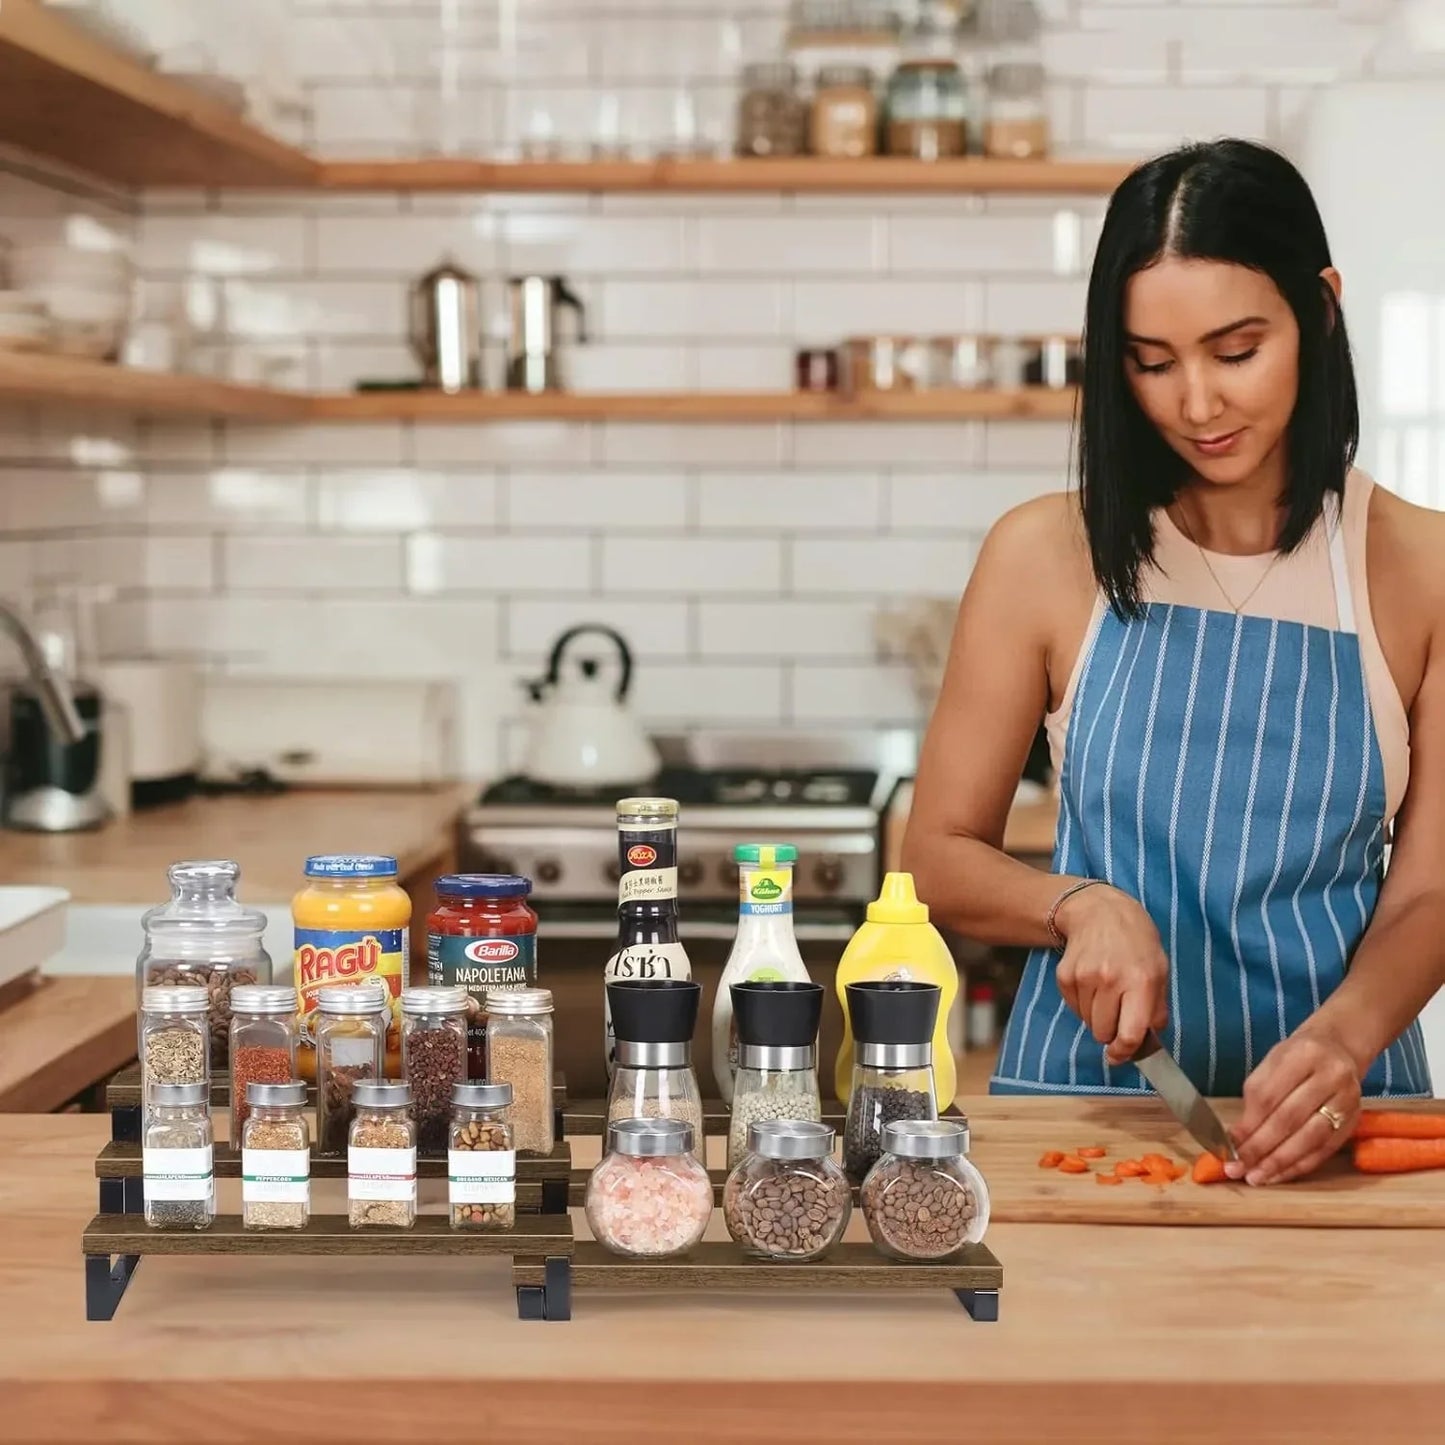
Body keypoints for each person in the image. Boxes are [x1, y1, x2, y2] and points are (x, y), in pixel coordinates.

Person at [902, 139, 1445, 1186]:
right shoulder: (1040, 554)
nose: (1194, 402)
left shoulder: (1421, 568)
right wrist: (1072, 904)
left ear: (1318, 311)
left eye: (1233, 350)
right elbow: (934, 849)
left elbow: (1429, 890)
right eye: (1151, 361)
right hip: (1081, 1117)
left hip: (1349, 1119)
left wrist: (1342, 1038)